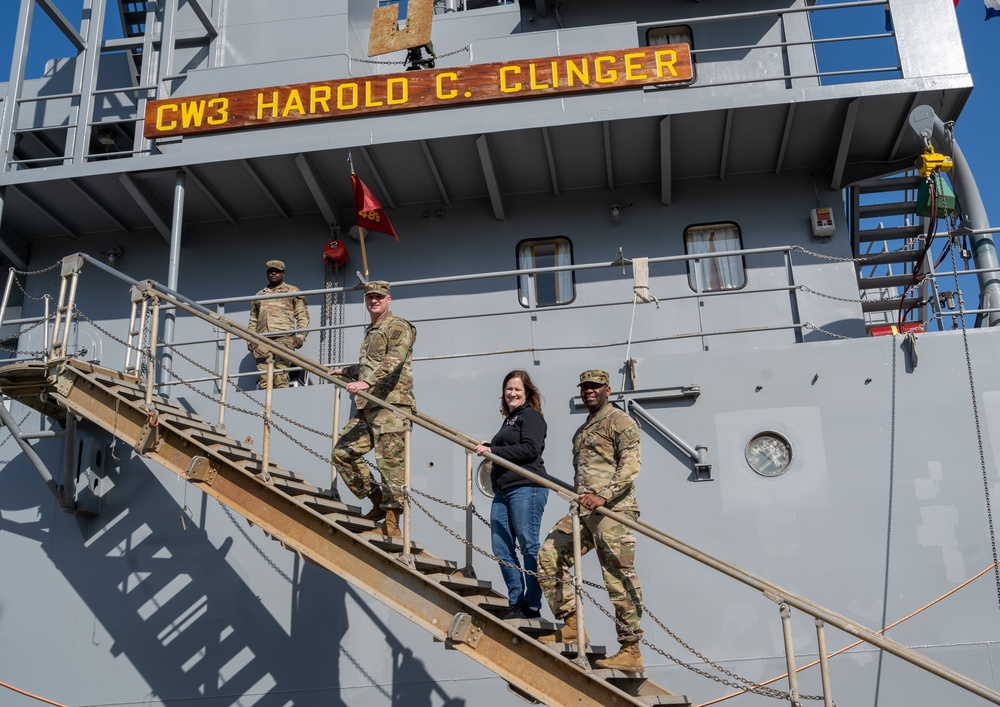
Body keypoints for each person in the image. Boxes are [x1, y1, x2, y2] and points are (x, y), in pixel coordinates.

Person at [537, 369, 645, 671]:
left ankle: (631, 649)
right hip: (584, 512)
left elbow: (631, 466)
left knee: (619, 578)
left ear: (607, 390)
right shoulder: (584, 429)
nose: (589, 391)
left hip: (614, 512)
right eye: (585, 387)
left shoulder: (620, 422)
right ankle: (572, 624)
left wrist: (604, 495)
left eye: (595, 387)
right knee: (548, 555)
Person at [329, 280, 416, 538]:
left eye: (379, 297)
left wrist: (366, 381)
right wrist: (344, 372)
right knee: (342, 453)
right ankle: (377, 500)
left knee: (390, 465)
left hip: (392, 405)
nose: (374, 301)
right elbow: (369, 366)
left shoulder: (398, 325)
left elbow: (394, 359)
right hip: (369, 406)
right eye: (369, 297)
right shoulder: (372, 330)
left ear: (389, 299)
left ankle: (392, 522)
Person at [474, 370, 549, 621]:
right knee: (501, 547)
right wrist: (492, 446)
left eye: (517, 389)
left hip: (526, 487)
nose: (512, 393)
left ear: (527, 393)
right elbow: (509, 446)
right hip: (504, 491)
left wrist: (494, 449)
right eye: (509, 389)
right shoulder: (510, 419)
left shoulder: (531, 416)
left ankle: (532, 604)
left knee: (529, 544)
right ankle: (516, 600)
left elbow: (530, 449)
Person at [247, 259, 309, 389]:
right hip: (262, 340)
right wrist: (250, 339)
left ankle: (280, 407)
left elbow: (302, 316)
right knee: (264, 377)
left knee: (281, 375)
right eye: (270, 271)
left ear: (283, 274)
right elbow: (253, 320)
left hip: (284, 337)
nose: (273, 273)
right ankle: (265, 407)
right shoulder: (259, 295)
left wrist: (301, 336)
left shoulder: (293, 291)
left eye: (277, 271)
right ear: (267, 274)